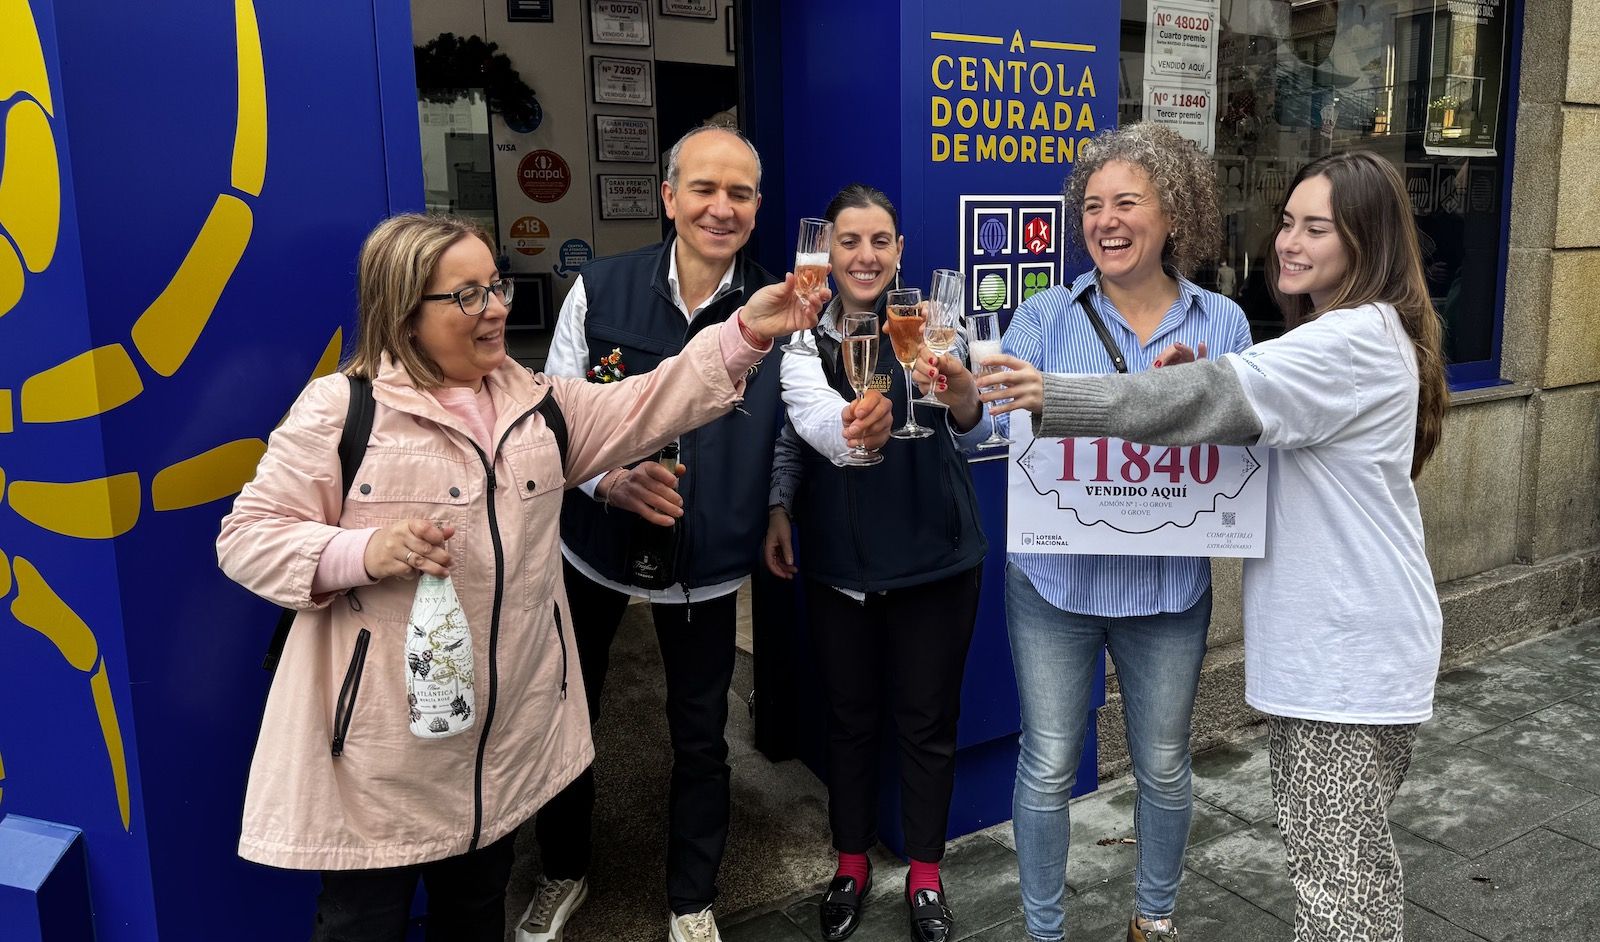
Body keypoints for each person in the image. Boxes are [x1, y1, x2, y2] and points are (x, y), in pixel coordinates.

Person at [215, 212, 826, 942]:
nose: (498, 306)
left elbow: (651, 399)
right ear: (404, 312)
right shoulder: (343, 411)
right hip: (380, 763)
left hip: (496, 756)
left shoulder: (539, 404)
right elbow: (248, 538)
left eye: (495, 285)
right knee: (361, 927)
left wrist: (747, 333)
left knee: (477, 918)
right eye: (467, 295)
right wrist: (366, 552)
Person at [978, 149, 1449, 942]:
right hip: (1330, 653)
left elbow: (1212, 395)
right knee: (1340, 874)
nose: (1290, 244)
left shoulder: (1345, 341)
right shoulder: (1350, 333)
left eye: (1317, 228)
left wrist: (1056, 393)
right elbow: (1242, 415)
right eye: (1287, 223)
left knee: (1341, 888)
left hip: (1343, 659)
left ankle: (1152, 920)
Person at [921, 121, 1251, 942]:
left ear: (1172, 213)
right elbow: (984, 430)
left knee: (1166, 765)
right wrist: (964, 395)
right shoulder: (1042, 316)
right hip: (1054, 589)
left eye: (1126, 202)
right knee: (1044, 764)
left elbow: (1249, 448)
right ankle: (1043, 931)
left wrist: (1196, 409)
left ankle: (1154, 920)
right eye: (1092, 205)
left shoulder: (1225, 327)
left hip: (1167, 590)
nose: (1106, 219)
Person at [525, 125, 855, 942]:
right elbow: (552, 426)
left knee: (701, 738)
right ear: (669, 196)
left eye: (740, 193)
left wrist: (864, 434)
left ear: (758, 207)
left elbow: (813, 416)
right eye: (704, 188)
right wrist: (608, 479)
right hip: (592, 552)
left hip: (706, 565)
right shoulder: (597, 290)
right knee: (568, 720)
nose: (722, 207)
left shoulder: (787, 307)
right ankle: (563, 871)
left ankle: (692, 898)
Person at [763, 183, 988, 942]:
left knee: (928, 724)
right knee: (851, 721)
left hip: (937, 558)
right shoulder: (800, 335)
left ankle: (925, 875)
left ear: (899, 251)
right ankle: (851, 861)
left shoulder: (934, 326)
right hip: (840, 565)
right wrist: (780, 505)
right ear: (827, 251)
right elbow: (797, 433)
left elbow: (971, 429)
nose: (864, 256)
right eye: (849, 241)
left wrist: (961, 395)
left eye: (879, 241)